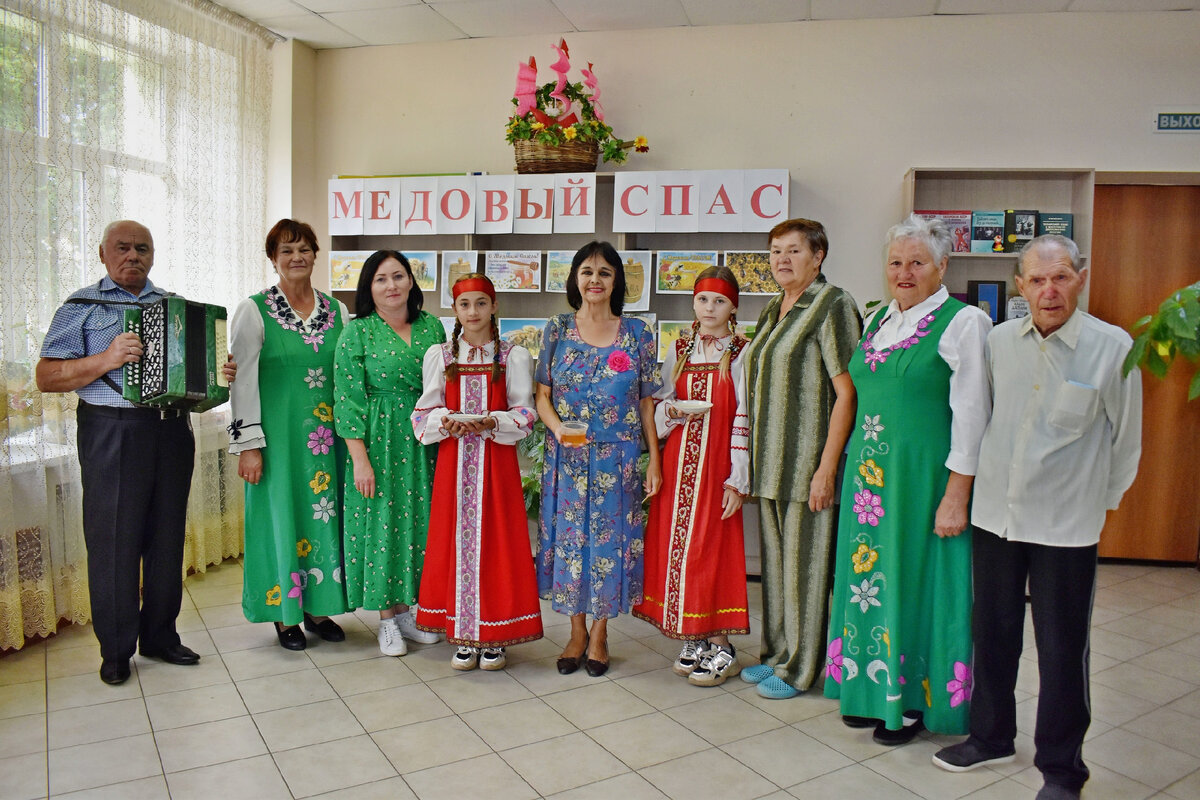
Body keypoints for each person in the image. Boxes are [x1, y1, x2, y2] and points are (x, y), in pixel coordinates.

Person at [933, 235, 1142, 800]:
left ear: (1081, 277)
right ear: (1020, 286)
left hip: (1066, 526)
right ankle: (991, 737)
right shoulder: (1000, 341)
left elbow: (1126, 445)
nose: (1050, 291)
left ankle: (1062, 767)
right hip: (996, 518)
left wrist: (1099, 508)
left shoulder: (1113, 348)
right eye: (1037, 280)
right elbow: (982, 418)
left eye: (1062, 278)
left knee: (1061, 646)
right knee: (993, 634)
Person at [37, 220, 233, 684]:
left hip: (171, 430)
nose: (133, 256)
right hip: (112, 431)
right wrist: (106, 358)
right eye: (122, 248)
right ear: (103, 254)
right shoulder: (81, 305)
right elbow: (46, 377)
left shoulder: (176, 306)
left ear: (153, 255)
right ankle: (117, 650)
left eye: (141, 249)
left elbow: (200, 379)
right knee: (114, 542)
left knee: (166, 539)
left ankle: (161, 636)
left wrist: (219, 374)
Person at [824, 215, 991, 744]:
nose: (904, 271)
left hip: (923, 483)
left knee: (918, 583)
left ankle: (916, 703)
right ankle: (871, 692)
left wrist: (956, 494)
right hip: (870, 483)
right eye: (895, 262)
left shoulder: (965, 323)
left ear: (942, 265)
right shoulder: (876, 320)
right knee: (870, 583)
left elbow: (973, 415)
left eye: (917, 262)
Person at [739, 218, 862, 700]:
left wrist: (828, 467)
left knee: (806, 569)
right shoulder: (773, 307)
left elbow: (848, 393)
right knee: (777, 569)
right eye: (774, 252)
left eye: (793, 251)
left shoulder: (834, 305)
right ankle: (776, 654)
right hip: (770, 463)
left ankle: (802, 668)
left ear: (818, 256)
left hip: (808, 464)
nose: (782, 260)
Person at [536, 241, 662, 678]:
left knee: (610, 547)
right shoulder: (555, 328)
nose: (595, 280)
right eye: (587, 271)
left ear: (616, 282)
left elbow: (647, 402)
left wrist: (655, 461)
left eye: (605, 273)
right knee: (572, 545)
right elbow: (542, 396)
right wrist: (558, 430)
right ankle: (574, 631)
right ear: (574, 278)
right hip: (567, 458)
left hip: (619, 458)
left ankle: (601, 632)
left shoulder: (638, 333)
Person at [411, 273, 543, 671]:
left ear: (494, 306)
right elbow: (422, 414)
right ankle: (464, 632)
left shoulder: (513, 356)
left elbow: (526, 413)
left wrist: (492, 422)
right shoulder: (440, 356)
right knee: (456, 544)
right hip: (454, 468)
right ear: (455, 310)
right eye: (465, 304)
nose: (473, 312)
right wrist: (445, 421)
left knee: (497, 544)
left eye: (481, 303)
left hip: (496, 467)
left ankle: (495, 635)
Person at [229, 219, 350, 650]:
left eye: (303, 249)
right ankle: (286, 616)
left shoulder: (338, 312)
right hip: (277, 442)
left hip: (329, 441)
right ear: (273, 259)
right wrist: (248, 446)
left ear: (316, 254)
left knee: (325, 518)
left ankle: (318, 608)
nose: (296, 257)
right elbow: (240, 380)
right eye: (286, 251)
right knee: (281, 518)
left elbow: (348, 375)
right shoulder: (254, 309)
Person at [633, 266, 751, 687]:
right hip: (681, 460)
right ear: (693, 303)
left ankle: (723, 644)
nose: (710, 308)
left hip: (717, 463)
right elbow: (662, 404)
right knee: (677, 547)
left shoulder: (741, 352)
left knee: (710, 548)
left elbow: (744, 415)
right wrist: (673, 413)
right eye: (703, 299)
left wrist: (738, 477)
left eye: (719, 300)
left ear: (733, 306)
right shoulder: (680, 347)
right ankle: (694, 634)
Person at [335, 250, 445, 656]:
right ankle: (385, 619)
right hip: (377, 440)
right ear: (370, 288)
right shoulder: (357, 332)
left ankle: (407, 612)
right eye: (381, 279)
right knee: (380, 524)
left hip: (425, 440)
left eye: (399, 276)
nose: (392, 285)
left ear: (412, 282)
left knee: (417, 522)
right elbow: (346, 398)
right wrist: (359, 458)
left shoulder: (432, 327)